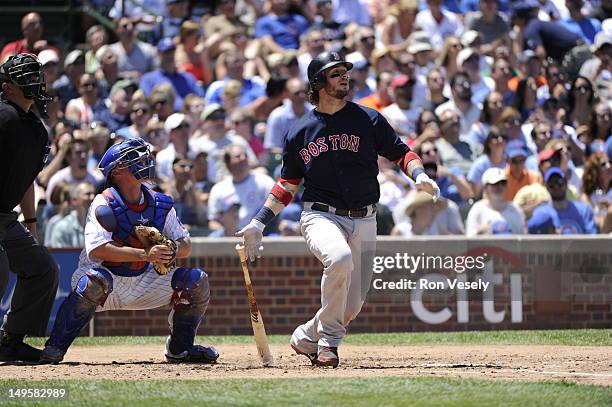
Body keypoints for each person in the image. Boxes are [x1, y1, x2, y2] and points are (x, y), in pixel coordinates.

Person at [235, 52, 439, 367]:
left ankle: (306, 337)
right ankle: (329, 343)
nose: (344, 76)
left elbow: (402, 153)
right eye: (335, 73)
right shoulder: (300, 132)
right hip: (320, 215)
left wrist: (419, 174)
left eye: (345, 70)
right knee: (339, 259)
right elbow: (288, 184)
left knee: (352, 304)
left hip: (366, 217)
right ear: (318, 83)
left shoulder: (368, 119)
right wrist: (259, 222)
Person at [39, 138, 219, 364]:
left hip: (146, 279)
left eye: (143, 156)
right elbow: (99, 249)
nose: (144, 161)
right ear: (116, 171)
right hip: (107, 279)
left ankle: (180, 349)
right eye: (134, 158)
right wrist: (146, 254)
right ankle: (54, 349)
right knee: (93, 282)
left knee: (197, 281)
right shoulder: (104, 203)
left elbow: (186, 245)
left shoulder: (160, 202)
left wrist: (170, 250)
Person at [0, 54, 59, 362]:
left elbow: (26, 180)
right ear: (7, 87)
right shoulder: (1, 115)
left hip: (7, 219)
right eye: (25, 76)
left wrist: (32, 222)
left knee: (43, 269)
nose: (34, 81)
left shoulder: (36, 128)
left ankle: (9, 341)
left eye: (35, 74)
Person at [528, 167, 597, 234]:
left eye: (559, 182)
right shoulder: (541, 213)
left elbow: (592, 238)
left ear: (566, 183)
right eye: (551, 184)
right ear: (546, 187)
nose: (556, 187)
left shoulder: (584, 211)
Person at [466, 167, 526, 235]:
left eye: (503, 183)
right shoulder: (477, 209)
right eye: (495, 183)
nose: (499, 186)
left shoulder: (516, 209)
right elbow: (470, 240)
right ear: (485, 187)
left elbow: (522, 239)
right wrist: (482, 232)